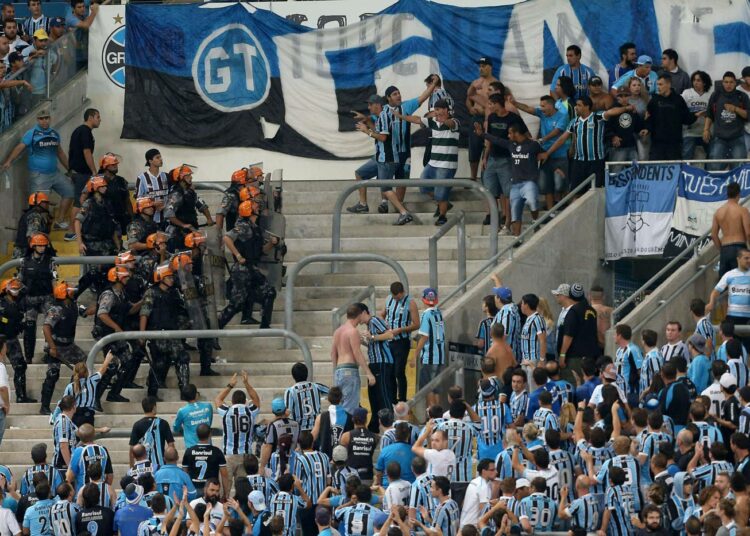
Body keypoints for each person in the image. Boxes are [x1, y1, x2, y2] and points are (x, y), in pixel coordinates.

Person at [541, 96, 635, 190]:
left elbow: (611, 112)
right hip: (579, 162)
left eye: (579, 105)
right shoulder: (574, 122)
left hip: (596, 161)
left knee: (595, 191)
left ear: (587, 107)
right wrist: (547, 153)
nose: (576, 107)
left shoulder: (597, 117)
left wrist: (626, 108)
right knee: (576, 191)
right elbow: (562, 139)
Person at [2, 109, 73, 232]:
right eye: (41, 118)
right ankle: (40, 232)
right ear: (37, 120)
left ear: (50, 118)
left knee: (70, 191)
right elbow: (19, 147)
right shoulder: (32, 133)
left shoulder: (54, 134)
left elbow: (60, 153)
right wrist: (8, 161)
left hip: (55, 173)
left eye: (46, 118)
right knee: (40, 206)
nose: (44, 121)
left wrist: (70, 169)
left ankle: (60, 221)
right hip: (39, 175)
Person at [396, 98, 460, 225]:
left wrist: (444, 121)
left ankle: (443, 216)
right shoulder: (433, 122)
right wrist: (400, 116)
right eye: (435, 110)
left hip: (446, 165)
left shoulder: (455, 122)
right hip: (433, 163)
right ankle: (444, 204)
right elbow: (417, 119)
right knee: (423, 186)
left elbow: (451, 124)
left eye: (438, 109)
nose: (436, 112)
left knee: (440, 192)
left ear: (446, 110)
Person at [218, 200, 278, 329]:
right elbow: (227, 238)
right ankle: (216, 328)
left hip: (252, 268)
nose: (258, 207)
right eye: (254, 206)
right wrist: (238, 255)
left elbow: (261, 250)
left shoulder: (254, 227)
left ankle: (265, 326)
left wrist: (272, 243)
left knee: (269, 293)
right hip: (242, 270)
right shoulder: (243, 226)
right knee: (237, 303)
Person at [476, 122, 543, 235]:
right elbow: (496, 140)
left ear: (516, 133)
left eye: (510, 133)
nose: (508, 136)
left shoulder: (533, 145)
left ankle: (535, 221)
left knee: (532, 203)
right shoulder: (511, 145)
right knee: (515, 211)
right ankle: (517, 237)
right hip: (516, 183)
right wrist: (482, 134)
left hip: (529, 182)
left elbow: (543, 155)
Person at [140, 264, 191, 399]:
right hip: (157, 334)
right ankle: (152, 394)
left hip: (173, 333)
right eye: (168, 277)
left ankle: (185, 391)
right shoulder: (151, 292)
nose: (172, 279)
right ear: (161, 278)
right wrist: (142, 334)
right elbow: (144, 313)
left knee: (183, 358)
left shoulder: (174, 293)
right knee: (160, 363)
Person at [479, 93, 525, 233]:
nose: (489, 106)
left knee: (509, 194)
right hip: (492, 159)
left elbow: (524, 137)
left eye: (491, 104)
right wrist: (485, 157)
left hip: (507, 160)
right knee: (491, 192)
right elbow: (489, 140)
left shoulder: (513, 118)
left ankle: (508, 224)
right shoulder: (491, 117)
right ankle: (496, 223)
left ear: (498, 104)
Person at [331, 304, 375, 415]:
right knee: (350, 409)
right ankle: (347, 431)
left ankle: (339, 431)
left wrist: (336, 371)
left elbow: (333, 353)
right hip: (350, 371)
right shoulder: (353, 331)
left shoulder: (338, 331)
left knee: (339, 407)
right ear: (359, 315)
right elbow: (357, 353)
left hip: (339, 371)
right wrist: (368, 373)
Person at [215, 371, 260, 479]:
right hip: (245, 455)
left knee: (226, 489)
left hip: (229, 455)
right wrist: (246, 383)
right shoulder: (250, 411)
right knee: (243, 488)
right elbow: (256, 400)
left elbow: (218, 399)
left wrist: (230, 385)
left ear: (232, 401)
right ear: (245, 401)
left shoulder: (226, 411)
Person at [641, 73, 696, 159]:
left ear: (669, 84)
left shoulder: (678, 99)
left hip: (674, 143)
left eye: (661, 84)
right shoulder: (654, 100)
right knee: (656, 168)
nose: (658, 87)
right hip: (657, 143)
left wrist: (696, 115)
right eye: (657, 84)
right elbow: (649, 118)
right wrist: (646, 128)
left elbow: (686, 118)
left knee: (674, 169)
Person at [705, 72, 749, 170]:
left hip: (737, 137)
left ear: (735, 83)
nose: (728, 85)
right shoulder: (715, 96)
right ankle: (716, 185)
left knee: (739, 167)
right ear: (722, 82)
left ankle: (738, 185)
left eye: (731, 82)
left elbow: (748, 115)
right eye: (726, 82)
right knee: (714, 166)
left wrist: (736, 109)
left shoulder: (742, 96)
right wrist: (706, 129)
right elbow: (709, 114)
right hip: (719, 138)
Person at [68, 108, 100, 241]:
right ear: (90, 117)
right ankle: (71, 231)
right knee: (78, 201)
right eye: (98, 117)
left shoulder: (80, 131)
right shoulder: (85, 131)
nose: (100, 120)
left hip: (78, 172)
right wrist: (94, 171)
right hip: (82, 173)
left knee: (81, 201)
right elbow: (87, 152)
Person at [164, 165, 213, 251]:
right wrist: (183, 225)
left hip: (192, 230)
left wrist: (209, 218)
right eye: (188, 175)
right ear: (181, 177)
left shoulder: (191, 193)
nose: (191, 177)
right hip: (178, 233)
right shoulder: (176, 194)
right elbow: (168, 213)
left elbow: (202, 205)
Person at [384, 281, 419, 403]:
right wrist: (384, 325)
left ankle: (402, 399)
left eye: (398, 297)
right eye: (394, 297)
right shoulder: (388, 299)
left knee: (399, 371)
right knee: (390, 372)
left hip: (402, 341)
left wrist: (401, 329)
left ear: (402, 292)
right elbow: (383, 314)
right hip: (389, 341)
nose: (396, 299)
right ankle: (392, 399)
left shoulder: (410, 302)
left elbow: (416, 324)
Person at [466, 57, 499, 180]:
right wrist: (470, 108)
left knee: (488, 146)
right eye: (479, 66)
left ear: (490, 67)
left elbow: (496, 103)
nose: (481, 68)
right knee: (474, 147)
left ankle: (486, 178)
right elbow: (468, 99)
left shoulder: (495, 84)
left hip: (489, 118)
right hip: (476, 117)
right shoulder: (475, 83)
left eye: (483, 66)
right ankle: (473, 177)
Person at [413, 288, 445, 407]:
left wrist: (414, 355)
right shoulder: (438, 313)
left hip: (429, 357)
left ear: (423, 300)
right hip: (440, 356)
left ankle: (432, 416)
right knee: (436, 388)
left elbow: (424, 336)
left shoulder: (426, 315)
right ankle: (438, 416)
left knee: (428, 388)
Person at [558, 283, 599, 377]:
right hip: (591, 356)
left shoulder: (573, 312)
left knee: (574, 382)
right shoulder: (592, 311)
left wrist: (562, 355)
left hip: (575, 357)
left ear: (570, 296)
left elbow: (568, 335)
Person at [259, 398, 300, 479]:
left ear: (273, 411)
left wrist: (262, 466)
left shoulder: (273, 425)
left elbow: (268, 447)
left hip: (277, 463)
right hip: (294, 461)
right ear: (285, 409)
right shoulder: (296, 424)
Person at [284, 362, 329, 433]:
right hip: (317, 428)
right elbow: (332, 392)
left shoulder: (290, 391)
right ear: (307, 374)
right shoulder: (316, 386)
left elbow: (287, 412)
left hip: (300, 430)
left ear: (293, 376)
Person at [682, 71, 714, 159]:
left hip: (706, 132)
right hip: (689, 131)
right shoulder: (686, 93)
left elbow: (714, 113)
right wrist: (695, 114)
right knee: (686, 156)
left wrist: (706, 113)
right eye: (694, 80)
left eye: (698, 80)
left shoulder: (710, 95)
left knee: (712, 155)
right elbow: (681, 109)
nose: (695, 82)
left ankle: (709, 172)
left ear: (704, 82)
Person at [339, 407, 376, 484]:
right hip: (367, 475)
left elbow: (340, 457)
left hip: (350, 476)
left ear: (353, 419)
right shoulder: (375, 437)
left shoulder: (346, 436)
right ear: (366, 420)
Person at [135, 149, 169, 227]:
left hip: (166, 219)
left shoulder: (166, 176)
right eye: (157, 157)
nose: (161, 159)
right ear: (150, 161)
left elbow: (173, 195)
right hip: (151, 220)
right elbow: (138, 200)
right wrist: (153, 204)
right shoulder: (142, 178)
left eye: (160, 157)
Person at [376, 422, 416, 487]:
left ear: (395, 434)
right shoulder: (414, 452)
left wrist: (380, 487)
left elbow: (378, 473)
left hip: (388, 487)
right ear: (408, 435)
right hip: (409, 488)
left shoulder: (385, 450)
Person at [13, 192, 52, 259]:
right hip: (25, 254)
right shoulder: (34, 216)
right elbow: (32, 235)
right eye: (45, 202)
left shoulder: (30, 214)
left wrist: (48, 224)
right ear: (38, 203)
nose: (47, 205)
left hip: (22, 253)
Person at [460, 459, 495, 526]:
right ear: (484, 471)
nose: (496, 472)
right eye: (492, 470)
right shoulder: (483, 486)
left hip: (465, 523)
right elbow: (485, 511)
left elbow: (463, 503)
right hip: (473, 527)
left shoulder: (474, 481)